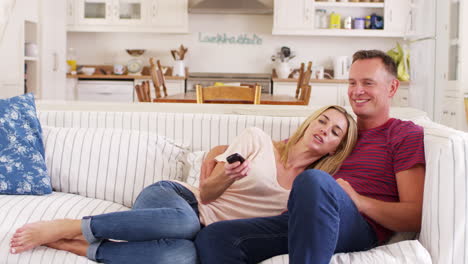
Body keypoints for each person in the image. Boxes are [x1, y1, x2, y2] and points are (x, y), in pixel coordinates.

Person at [9, 105, 357, 264]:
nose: (324, 129)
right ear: (310, 122)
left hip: (202, 234)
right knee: (186, 223)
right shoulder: (257, 139)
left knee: (181, 256)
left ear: (335, 147)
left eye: (335, 131)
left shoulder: (308, 191)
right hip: (176, 201)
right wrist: (226, 174)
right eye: (322, 120)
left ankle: (77, 247)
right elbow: (206, 194)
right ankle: (73, 226)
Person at [195, 50, 426, 264]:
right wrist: (218, 153)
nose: (357, 91)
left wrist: (359, 201)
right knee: (213, 237)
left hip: (354, 224)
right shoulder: (339, 133)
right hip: (299, 218)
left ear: (393, 88)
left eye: (368, 83)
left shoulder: (403, 134)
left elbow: (414, 216)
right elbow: (279, 150)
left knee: (313, 180)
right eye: (352, 82)